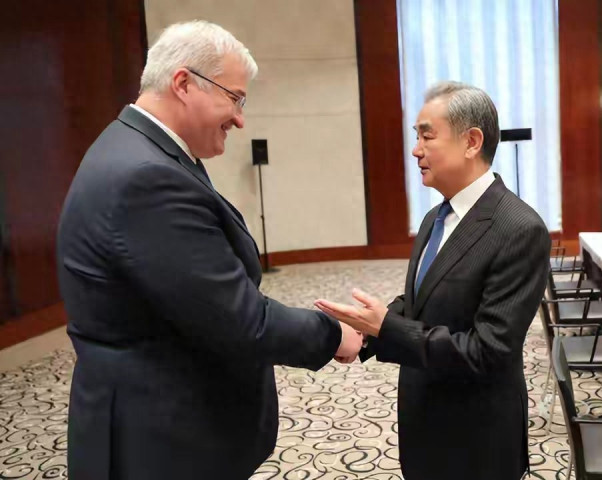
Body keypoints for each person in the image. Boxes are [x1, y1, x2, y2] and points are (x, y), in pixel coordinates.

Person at [56, 20, 362, 480]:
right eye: (235, 98)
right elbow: (238, 319)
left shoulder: (136, 147)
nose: (240, 119)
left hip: (156, 420)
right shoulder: (147, 178)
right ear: (183, 83)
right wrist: (333, 334)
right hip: (159, 439)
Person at [316, 81, 551, 479]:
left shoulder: (519, 229)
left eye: (427, 136)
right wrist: (366, 331)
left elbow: (489, 352)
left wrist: (387, 327)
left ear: (471, 142)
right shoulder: (435, 218)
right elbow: (422, 300)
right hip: (425, 420)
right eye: (416, 137)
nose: (416, 150)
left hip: (476, 439)